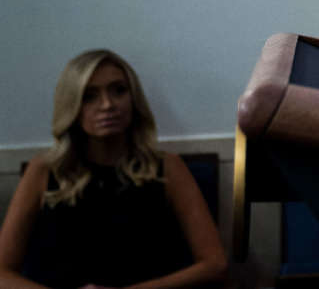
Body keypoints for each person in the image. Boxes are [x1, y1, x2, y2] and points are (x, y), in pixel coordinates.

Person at [0, 50, 227, 288]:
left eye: (118, 90)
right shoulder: (45, 170)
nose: (107, 105)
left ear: (134, 98)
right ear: (73, 106)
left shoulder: (167, 167)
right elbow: (2, 272)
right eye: (90, 96)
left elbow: (215, 265)